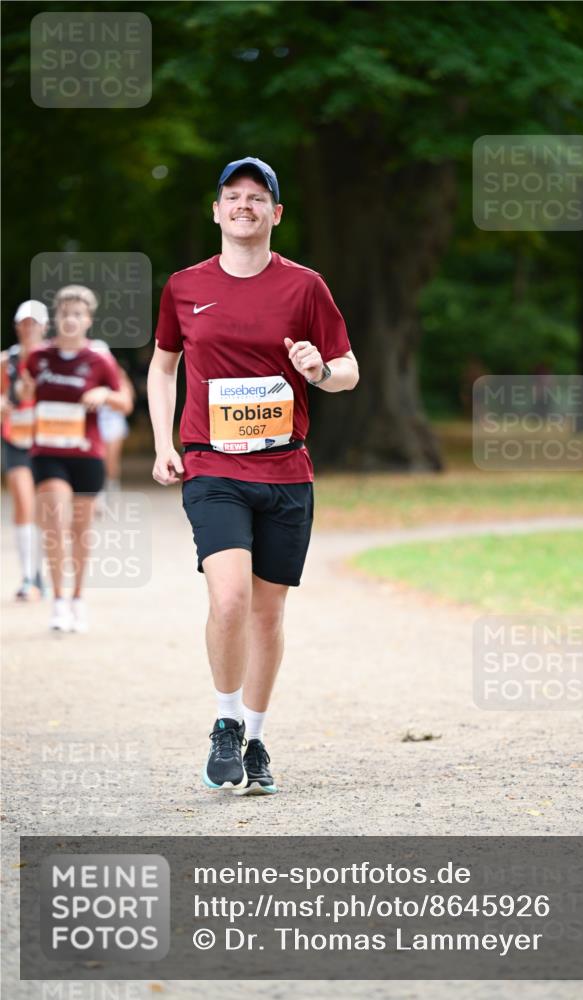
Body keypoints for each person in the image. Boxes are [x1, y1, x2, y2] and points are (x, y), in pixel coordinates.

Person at [148, 156, 358, 795]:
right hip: (212, 465)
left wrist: (317, 368)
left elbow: (348, 370)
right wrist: (163, 443)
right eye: (232, 196)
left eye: (257, 197)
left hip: (286, 468)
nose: (244, 206)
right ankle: (224, 721)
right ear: (216, 211)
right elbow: (162, 368)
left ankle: (257, 738)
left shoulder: (305, 287)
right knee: (229, 597)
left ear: (275, 213)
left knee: (267, 614)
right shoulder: (185, 287)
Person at [17, 285, 133, 632]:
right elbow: (24, 391)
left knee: (80, 532)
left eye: (78, 314)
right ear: (57, 318)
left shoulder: (99, 360)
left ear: (88, 320)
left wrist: (105, 394)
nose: (71, 319)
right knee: (55, 523)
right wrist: (22, 389)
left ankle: (78, 598)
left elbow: (125, 401)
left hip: (87, 455)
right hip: (47, 453)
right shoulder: (38, 357)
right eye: (65, 313)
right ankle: (59, 601)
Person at [1, 300, 49, 600]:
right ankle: (29, 578)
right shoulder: (6, 361)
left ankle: (44, 575)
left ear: (44, 327)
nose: (28, 328)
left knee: (47, 508)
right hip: (16, 438)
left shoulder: (56, 359)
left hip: (48, 439)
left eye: (34, 323)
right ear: (17, 326)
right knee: (22, 501)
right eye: (24, 323)